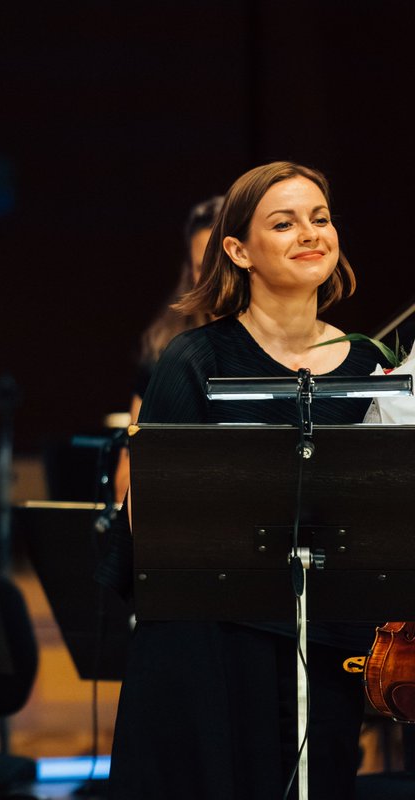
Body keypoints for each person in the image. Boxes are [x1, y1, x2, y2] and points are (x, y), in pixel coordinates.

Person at [102, 162, 379, 799]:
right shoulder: (194, 359)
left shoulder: (369, 364)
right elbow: (149, 519)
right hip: (213, 646)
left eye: (320, 218)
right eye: (284, 223)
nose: (311, 234)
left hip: (327, 645)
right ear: (238, 250)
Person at [112, 195, 223, 502]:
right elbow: (126, 480)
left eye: (224, 263)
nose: (217, 278)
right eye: (205, 267)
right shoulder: (165, 353)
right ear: (190, 273)